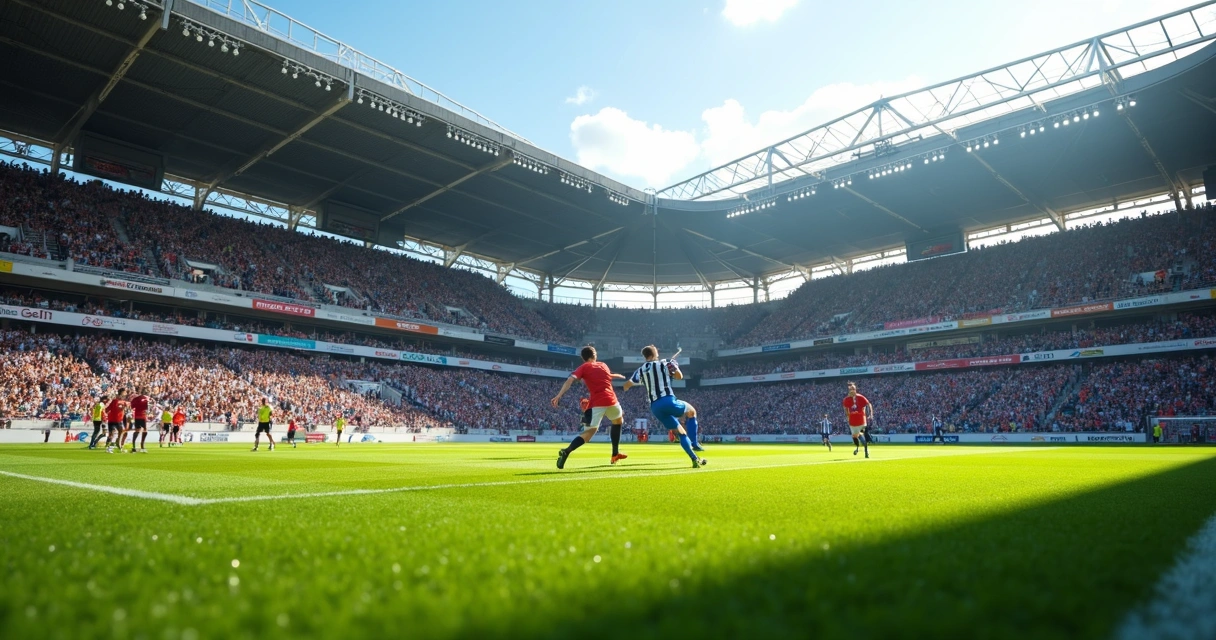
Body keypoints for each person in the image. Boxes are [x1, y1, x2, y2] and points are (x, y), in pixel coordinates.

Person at [624, 345, 706, 469]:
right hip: (668, 400)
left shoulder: (640, 370)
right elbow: (679, 377)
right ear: (653, 355)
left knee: (681, 433)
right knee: (692, 411)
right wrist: (675, 366)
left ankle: (694, 459)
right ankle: (695, 443)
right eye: (657, 353)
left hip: (655, 407)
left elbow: (627, 385)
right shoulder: (664, 364)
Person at [551, 346, 628, 468]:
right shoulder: (603, 365)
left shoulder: (584, 367)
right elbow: (605, 375)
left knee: (589, 432)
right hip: (612, 400)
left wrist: (558, 396)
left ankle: (567, 451)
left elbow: (570, 380)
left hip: (597, 403)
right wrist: (616, 376)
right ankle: (615, 453)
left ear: (583, 358)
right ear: (595, 355)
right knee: (618, 421)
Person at [843, 381, 874, 458]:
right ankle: (860, 447)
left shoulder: (860, 397)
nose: (852, 391)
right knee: (856, 436)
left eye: (853, 389)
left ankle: (865, 449)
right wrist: (848, 416)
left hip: (861, 421)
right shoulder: (846, 399)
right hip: (853, 422)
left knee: (860, 433)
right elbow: (845, 409)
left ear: (855, 389)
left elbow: (869, 404)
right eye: (850, 389)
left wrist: (871, 414)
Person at [103, 390, 128, 454]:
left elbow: (107, 409)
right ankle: (112, 447)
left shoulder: (119, 401)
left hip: (115, 420)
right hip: (115, 420)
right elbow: (110, 409)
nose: (125, 395)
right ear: (120, 394)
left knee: (117, 433)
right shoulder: (117, 401)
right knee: (116, 434)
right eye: (124, 393)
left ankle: (117, 447)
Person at [128, 388, 151, 453]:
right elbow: (147, 407)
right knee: (145, 430)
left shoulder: (136, 399)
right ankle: (142, 446)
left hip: (137, 416)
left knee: (137, 430)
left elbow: (132, 406)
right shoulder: (146, 399)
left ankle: (134, 446)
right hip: (142, 416)